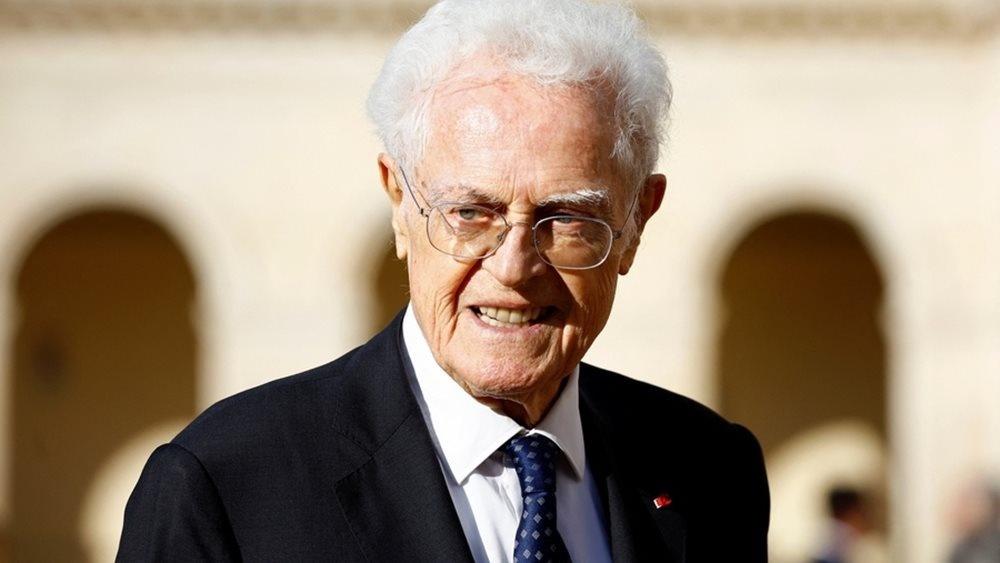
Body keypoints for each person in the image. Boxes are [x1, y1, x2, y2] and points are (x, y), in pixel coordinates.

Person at [117, 1, 769, 561]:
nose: (514, 267)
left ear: (635, 223)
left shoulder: (712, 471)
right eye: (470, 213)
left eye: (566, 218)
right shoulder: (226, 487)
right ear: (399, 202)